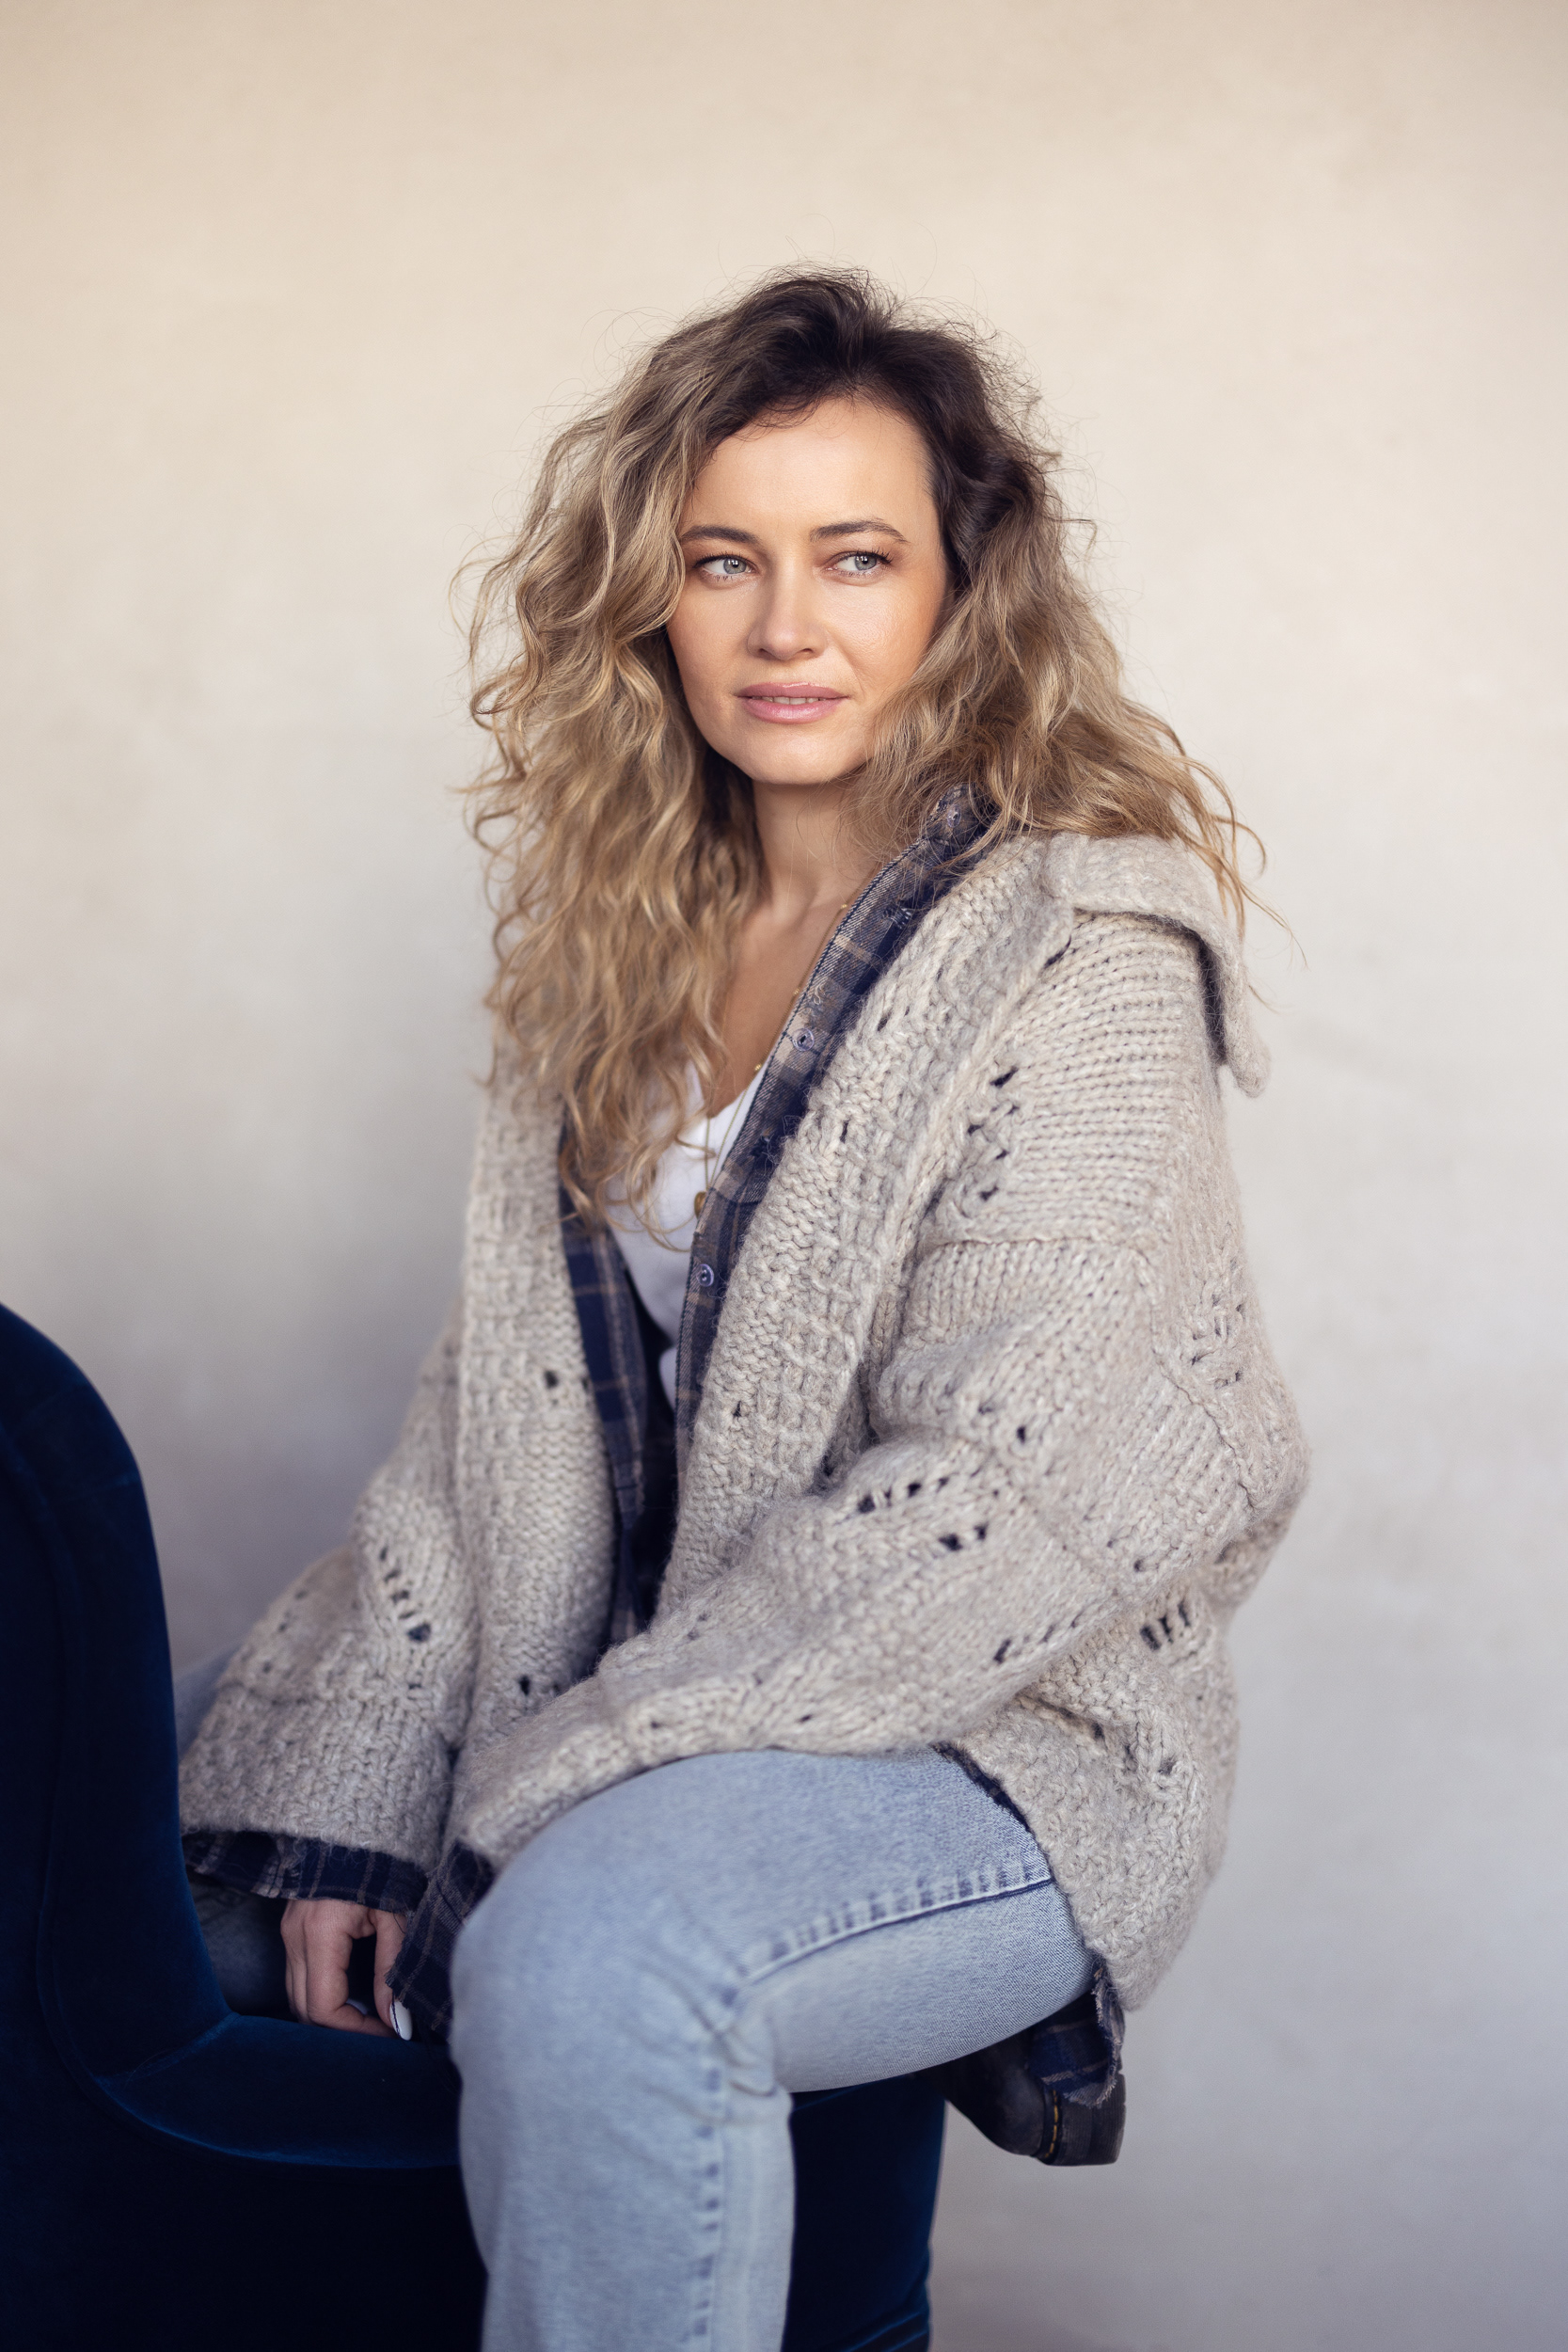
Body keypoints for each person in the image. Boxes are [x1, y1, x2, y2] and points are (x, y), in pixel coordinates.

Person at [179, 269, 1307, 2349]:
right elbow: (490, 1416)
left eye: (856, 557)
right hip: (644, 1680)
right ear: (654, 602)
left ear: (962, 592)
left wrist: (541, 1776)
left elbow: (1022, 1490)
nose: (788, 627)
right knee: (140, 1874)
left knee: (594, 1952)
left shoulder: (1083, 943)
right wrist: (360, 1775)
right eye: (724, 561)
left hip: (991, 1735)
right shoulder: (620, 937)